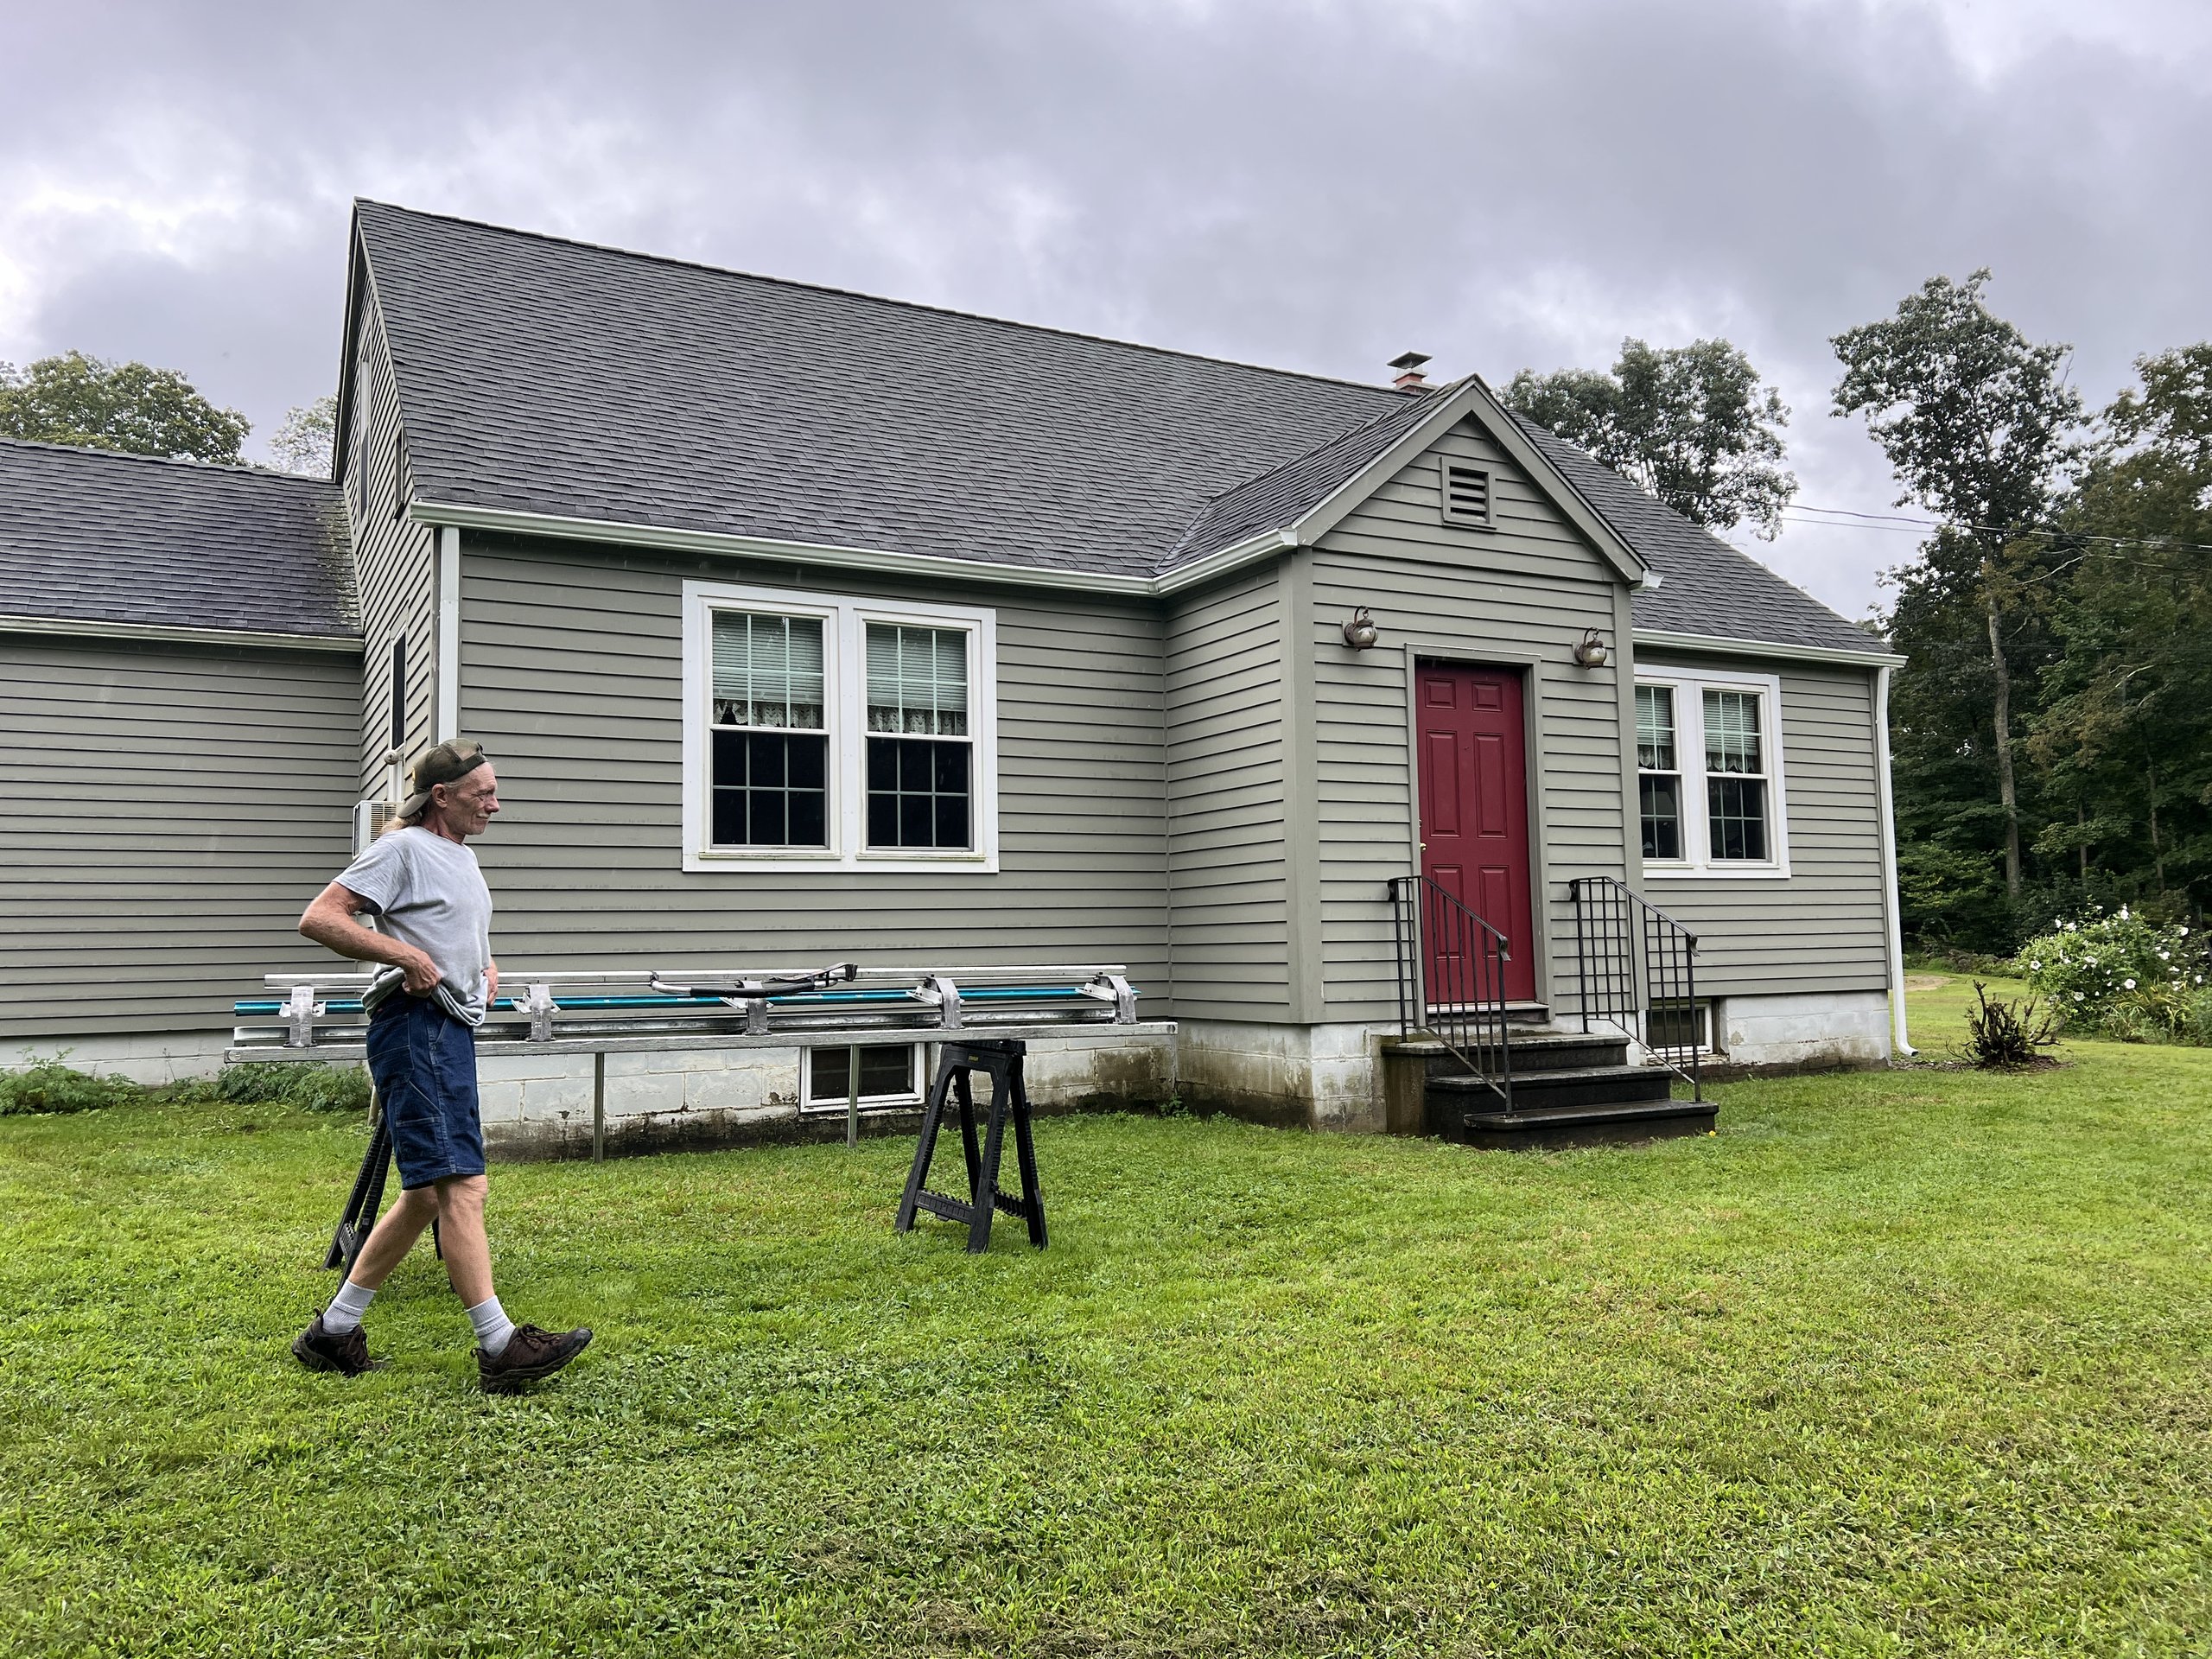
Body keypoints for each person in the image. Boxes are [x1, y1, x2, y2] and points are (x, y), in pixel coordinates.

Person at [289, 739, 591, 1392]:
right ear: (443, 796)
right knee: (464, 1186)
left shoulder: (461, 856)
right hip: (412, 1027)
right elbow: (321, 918)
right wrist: (406, 957)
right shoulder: (401, 849)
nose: (496, 803)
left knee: (427, 1193)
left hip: (448, 1027)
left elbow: (458, 935)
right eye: (483, 792)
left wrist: (484, 967)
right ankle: (500, 1344)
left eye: (494, 790)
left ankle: (333, 1333)